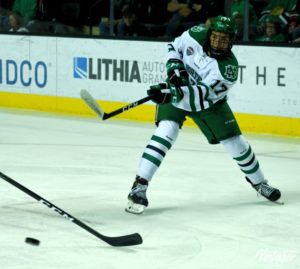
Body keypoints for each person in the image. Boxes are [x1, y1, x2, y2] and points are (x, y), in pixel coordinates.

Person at [125, 16, 282, 214]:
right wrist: (174, 67)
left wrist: (171, 93)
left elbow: (201, 96)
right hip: (178, 88)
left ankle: (260, 183)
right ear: (209, 34)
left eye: (224, 39)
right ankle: (139, 186)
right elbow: (174, 46)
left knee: (237, 143)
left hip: (208, 103)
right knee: (166, 132)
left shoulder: (228, 69)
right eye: (215, 37)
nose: (218, 42)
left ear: (232, 41)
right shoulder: (195, 34)